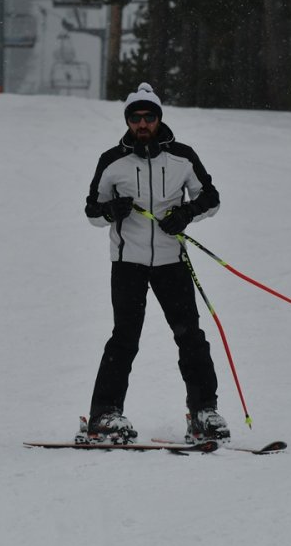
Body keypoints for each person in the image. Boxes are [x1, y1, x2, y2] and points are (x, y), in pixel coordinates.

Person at [83, 82, 229, 443]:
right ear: (129, 122)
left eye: (149, 117)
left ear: (159, 118)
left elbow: (210, 198)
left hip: (171, 261)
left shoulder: (182, 156)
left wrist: (185, 214)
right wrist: (110, 210)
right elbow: (92, 212)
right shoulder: (112, 161)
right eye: (136, 118)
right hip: (127, 262)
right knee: (125, 339)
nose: (143, 124)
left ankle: (203, 412)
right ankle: (104, 416)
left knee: (190, 336)